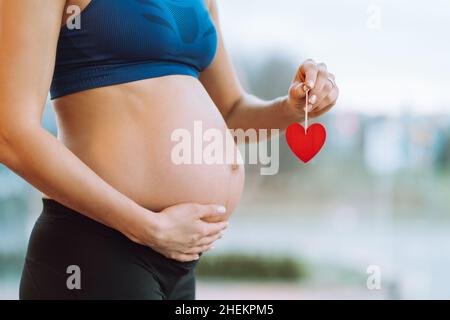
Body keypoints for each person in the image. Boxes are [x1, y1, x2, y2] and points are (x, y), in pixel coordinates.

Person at [0, 0, 339, 299]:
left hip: (178, 261)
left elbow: (232, 112)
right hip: (95, 249)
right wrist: (146, 227)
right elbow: (11, 132)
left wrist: (291, 109)